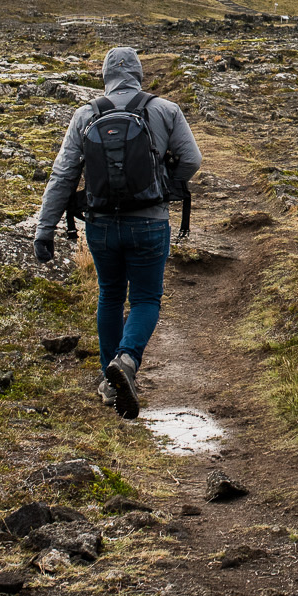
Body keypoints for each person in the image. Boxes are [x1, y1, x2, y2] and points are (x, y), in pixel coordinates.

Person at [33, 46, 201, 419]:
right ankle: (125, 361)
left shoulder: (85, 114)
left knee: (110, 295)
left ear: (105, 77)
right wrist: (166, 186)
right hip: (149, 222)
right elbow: (192, 159)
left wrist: (45, 230)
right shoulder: (165, 109)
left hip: (101, 224)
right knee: (144, 300)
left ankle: (110, 385)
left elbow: (63, 175)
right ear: (139, 74)